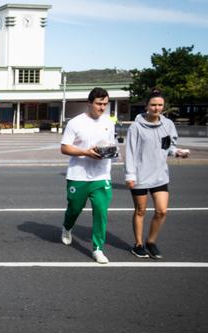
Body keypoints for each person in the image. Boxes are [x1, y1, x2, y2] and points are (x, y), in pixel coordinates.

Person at [124, 88, 190, 259]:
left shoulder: (167, 124)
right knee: (140, 211)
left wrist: (177, 152)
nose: (157, 108)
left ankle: (150, 241)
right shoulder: (136, 127)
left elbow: (168, 146)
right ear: (146, 106)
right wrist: (130, 175)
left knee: (162, 211)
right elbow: (130, 152)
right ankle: (138, 244)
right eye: (153, 105)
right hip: (139, 176)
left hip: (160, 175)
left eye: (160, 105)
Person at [60, 87, 115, 264]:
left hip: (101, 175)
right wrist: (86, 152)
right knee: (74, 209)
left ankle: (98, 249)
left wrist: (110, 152)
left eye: (105, 104)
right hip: (79, 175)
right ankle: (67, 227)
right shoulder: (75, 123)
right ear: (89, 103)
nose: (102, 108)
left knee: (101, 212)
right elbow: (64, 147)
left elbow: (110, 144)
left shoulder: (108, 122)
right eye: (99, 104)